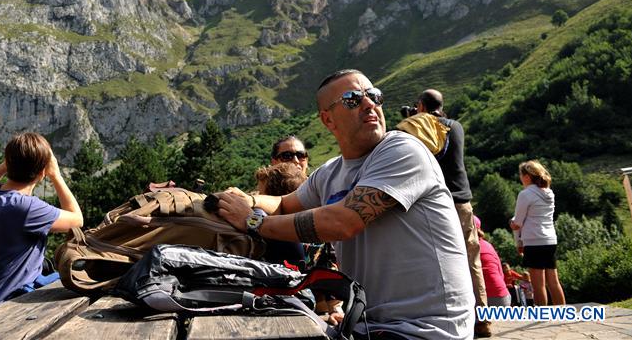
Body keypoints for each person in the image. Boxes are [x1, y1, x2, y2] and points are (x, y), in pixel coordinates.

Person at [217, 69, 474, 340]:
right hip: (368, 326)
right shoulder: (330, 173)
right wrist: (246, 201)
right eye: (353, 99)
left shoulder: (403, 149)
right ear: (328, 119)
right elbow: (283, 204)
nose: (370, 104)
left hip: (426, 331)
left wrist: (253, 221)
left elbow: (343, 222)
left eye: (374, 96)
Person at [0, 132, 83, 312]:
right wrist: (56, 176)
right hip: (6, 303)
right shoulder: (26, 207)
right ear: (42, 172)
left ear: (8, 163)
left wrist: (5, 166)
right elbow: (77, 219)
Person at [415, 89, 490, 337]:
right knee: (473, 260)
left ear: (422, 107)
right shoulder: (456, 126)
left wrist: (414, 120)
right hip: (464, 200)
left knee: (437, 260)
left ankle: (445, 319)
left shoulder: (423, 126)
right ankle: (483, 320)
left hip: (438, 202)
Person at [510, 160, 565, 306]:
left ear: (527, 176)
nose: (520, 178)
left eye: (521, 175)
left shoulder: (525, 194)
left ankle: (543, 317)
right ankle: (563, 313)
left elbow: (518, 223)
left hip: (534, 241)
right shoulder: (549, 193)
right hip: (550, 240)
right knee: (553, 281)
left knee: (538, 284)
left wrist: (513, 225)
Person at [473, 217, 511, 307]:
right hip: (503, 296)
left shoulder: (467, 248)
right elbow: (500, 273)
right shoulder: (488, 245)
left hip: (485, 300)